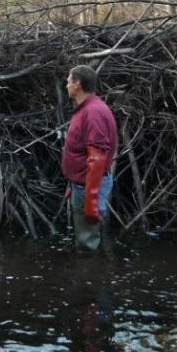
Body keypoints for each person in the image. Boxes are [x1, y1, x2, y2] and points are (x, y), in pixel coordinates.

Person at [61, 65, 117, 251]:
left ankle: (89, 276)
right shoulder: (87, 109)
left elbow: (97, 159)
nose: (66, 85)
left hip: (88, 187)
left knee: (87, 243)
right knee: (86, 237)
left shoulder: (93, 113)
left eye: (68, 81)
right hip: (81, 185)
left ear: (77, 84)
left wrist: (91, 202)